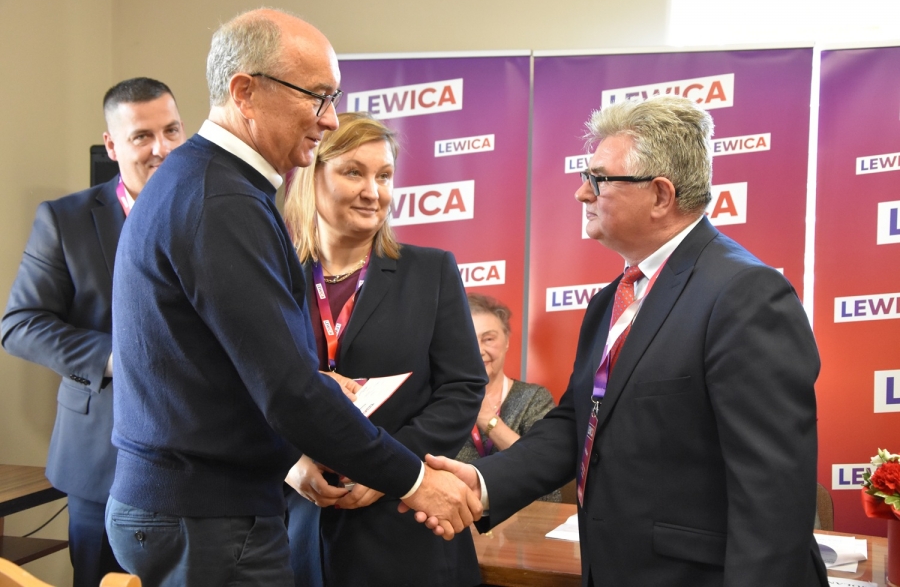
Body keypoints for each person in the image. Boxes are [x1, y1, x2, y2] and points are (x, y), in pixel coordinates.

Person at [104, 9, 479, 587]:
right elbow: (286, 391)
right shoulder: (223, 201)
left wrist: (315, 386)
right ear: (245, 92)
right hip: (207, 518)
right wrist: (414, 480)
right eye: (317, 97)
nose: (329, 118)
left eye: (334, 99)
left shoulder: (207, 183)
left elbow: (226, 364)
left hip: (197, 511)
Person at [427, 95, 829, 586]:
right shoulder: (610, 301)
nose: (581, 193)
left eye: (598, 179)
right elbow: (580, 423)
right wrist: (484, 481)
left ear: (660, 195)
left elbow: (773, 492)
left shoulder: (744, 294)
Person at [281, 111, 486, 587]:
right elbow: (249, 389)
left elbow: (462, 388)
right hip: (299, 528)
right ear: (311, 177)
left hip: (404, 526)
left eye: (385, 176)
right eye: (354, 172)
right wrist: (289, 462)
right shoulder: (275, 277)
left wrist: (391, 468)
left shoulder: (431, 271)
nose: (373, 192)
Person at [1, 77, 185, 587]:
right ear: (111, 145)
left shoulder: (214, 214)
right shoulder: (65, 220)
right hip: (102, 459)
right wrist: (117, 358)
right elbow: (20, 324)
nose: (162, 148)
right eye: (142, 136)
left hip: (201, 464)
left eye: (172, 130)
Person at [455, 293, 560, 502]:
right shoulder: (439, 402)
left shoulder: (534, 398)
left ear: (506, 342)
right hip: (456, 514)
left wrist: (487, 419)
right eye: (469, 340)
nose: (478, 350)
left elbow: (546, 476)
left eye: (488, 339)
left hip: (524, 515)